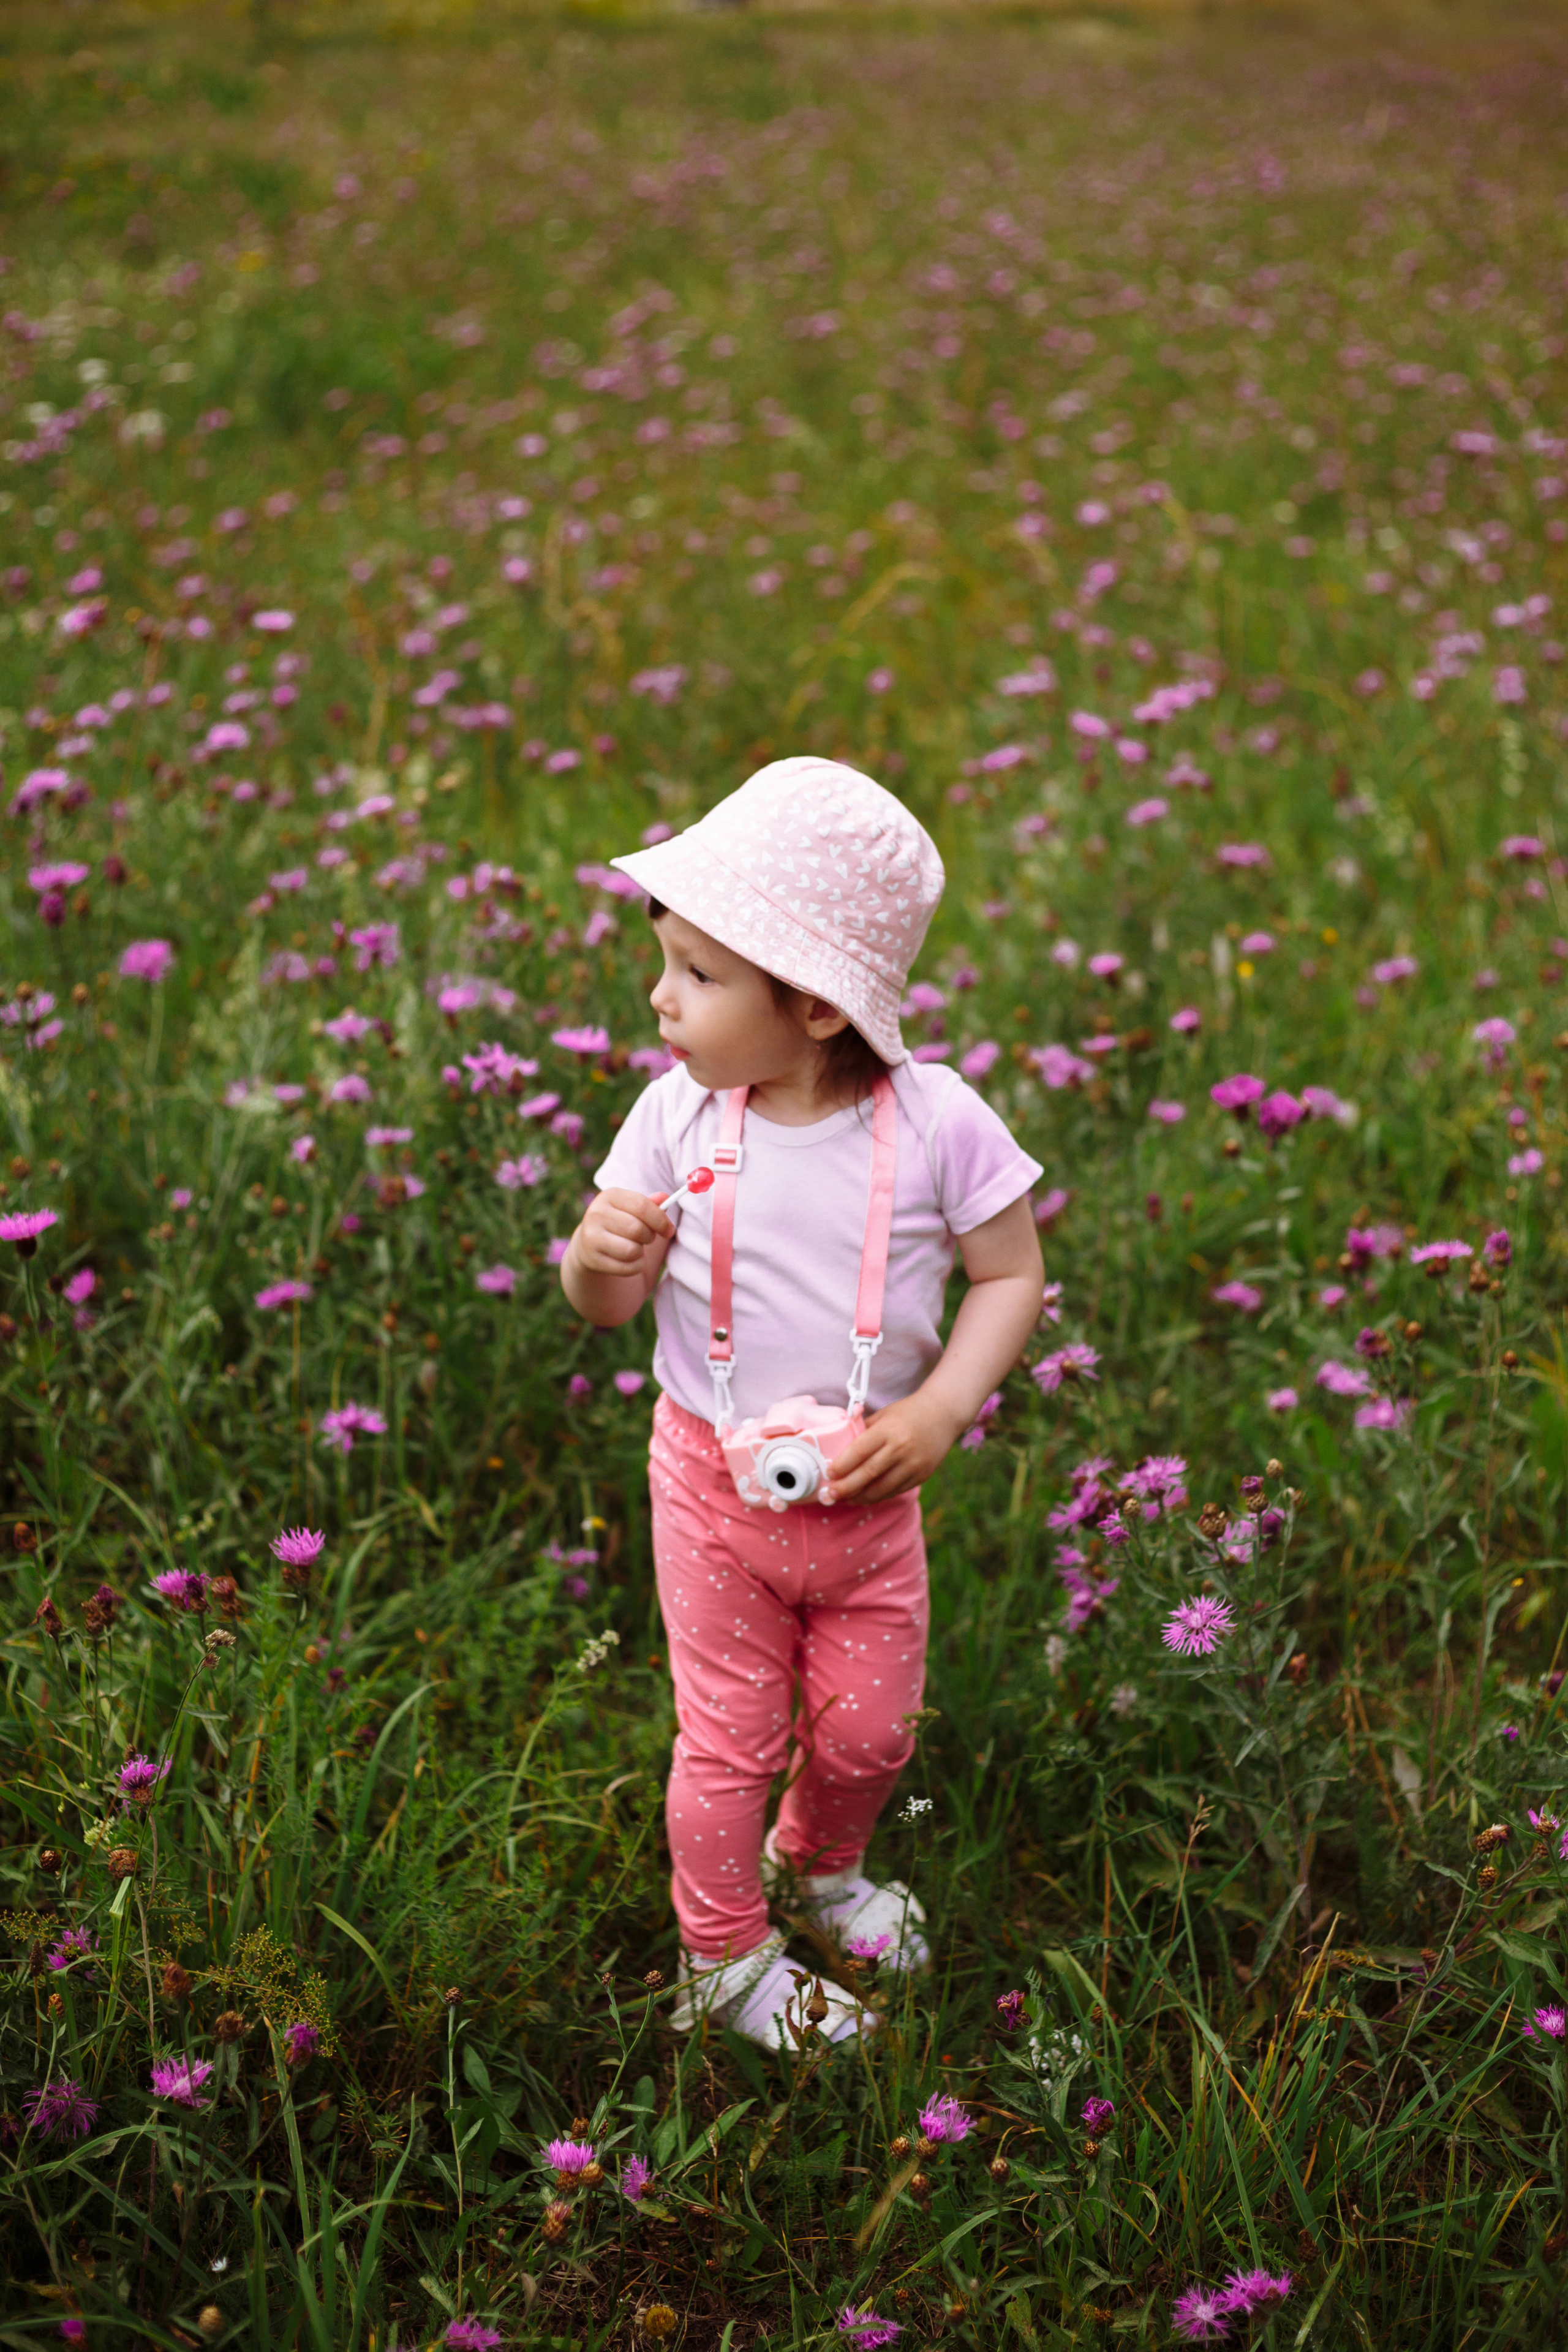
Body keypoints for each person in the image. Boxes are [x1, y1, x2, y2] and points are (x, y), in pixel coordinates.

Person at [560, 756, 1044, 2050]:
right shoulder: (672, 1121)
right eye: (663, 960)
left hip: (868, 1492)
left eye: (699, 975)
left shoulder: (939, 1122)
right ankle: (718, 1957)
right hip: (708, 1485)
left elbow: (1011, 1272)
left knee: (870, 1731)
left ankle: (820, 1865)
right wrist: (598, 1263)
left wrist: (939, 1411)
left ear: (819, 1007)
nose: (658, 997)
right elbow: (601, 1308)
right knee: (726, 1734)